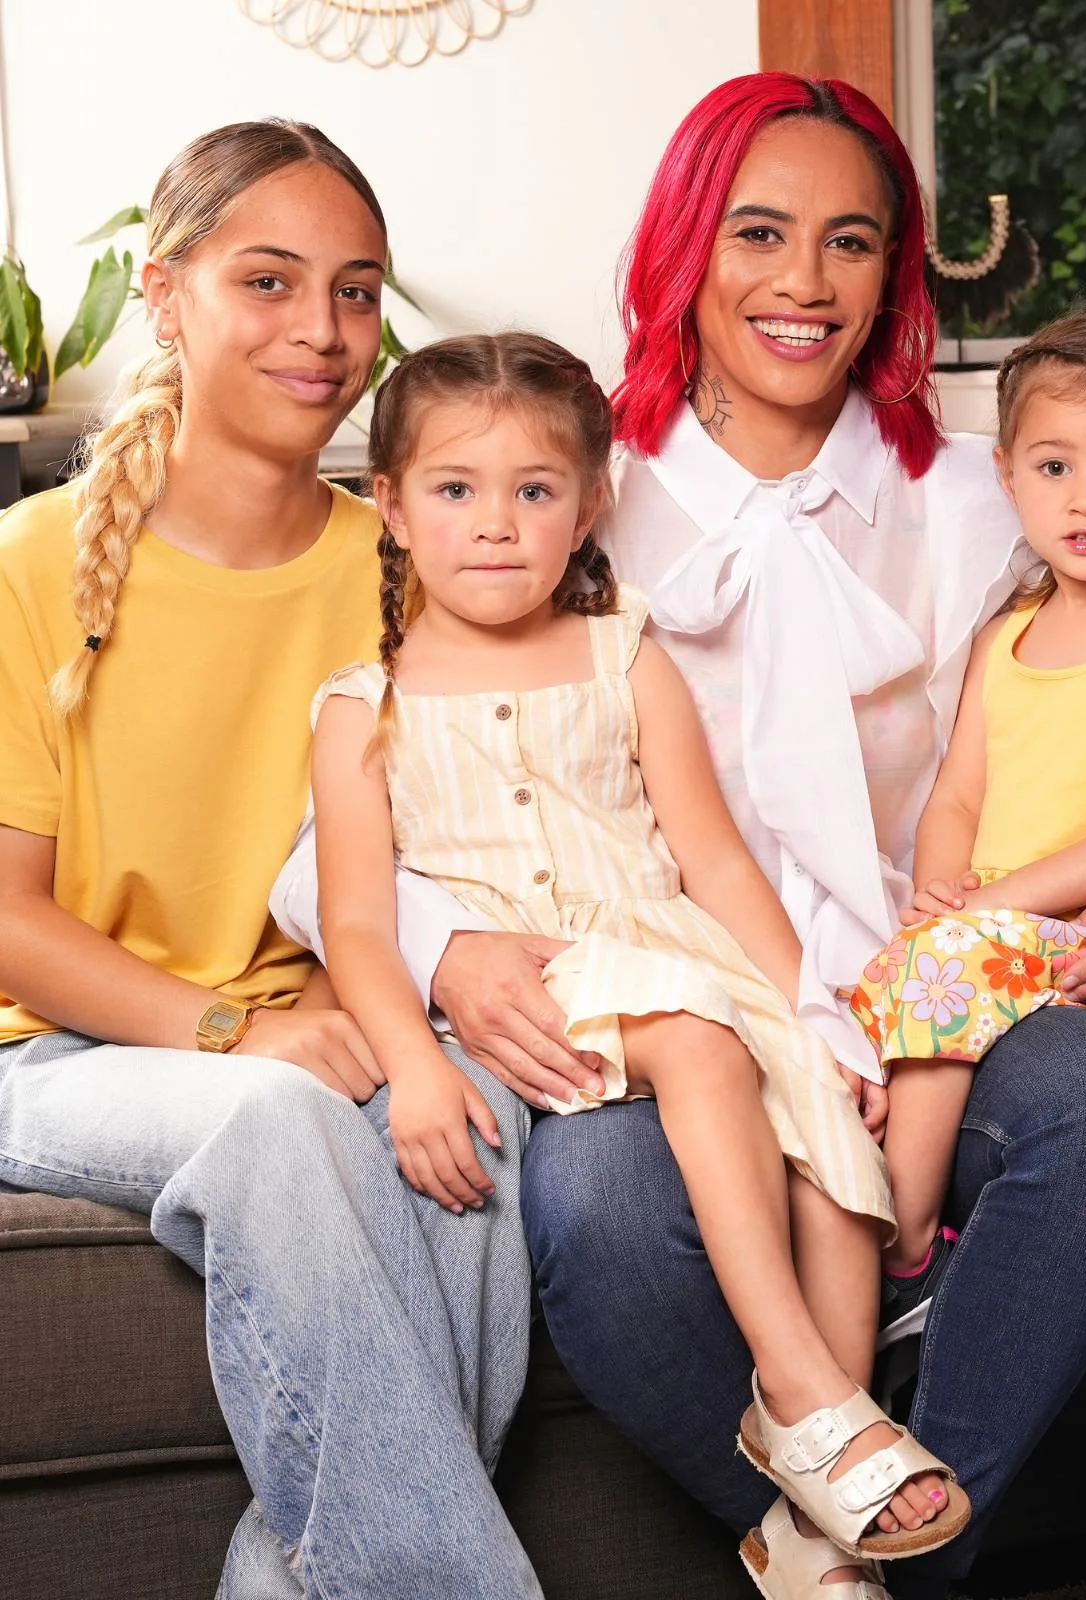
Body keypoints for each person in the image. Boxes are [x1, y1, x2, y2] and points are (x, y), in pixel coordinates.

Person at [271, 74, 1086, 1597]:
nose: (802, 282)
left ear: (895, 276)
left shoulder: (982, 503)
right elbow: (350, 795)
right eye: (758, 232)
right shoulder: (561, 489)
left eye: (850, 244)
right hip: (658, 996)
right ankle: (833, 1504)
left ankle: (893, 1551)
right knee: (598, 1199)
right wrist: (447, 962)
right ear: (682, 248)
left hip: (908, 1005)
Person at [312, 331, 967, 1595]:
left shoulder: (630, 650)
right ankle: (801, 1389)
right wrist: (413, 1068)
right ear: (387, 507)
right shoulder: (362, 707)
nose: (495, 526)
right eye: (454, 490)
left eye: (534, 490)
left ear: (592, 501)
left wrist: (817, 1014)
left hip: (675, 952)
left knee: (827, 1145)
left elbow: (716, 862)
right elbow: (354, 921)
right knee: (699, 1037)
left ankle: (828, 1520)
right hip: (550, 980)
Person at [0, 123, 539, 1598]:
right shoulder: (35, 564)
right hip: (63, 1054)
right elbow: (5, 926)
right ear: (163, 296)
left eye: (357, 292)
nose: (324, 332)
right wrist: (242, 1033)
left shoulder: (403, 560)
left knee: (480, 1122)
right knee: (276, 1129)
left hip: (338, 1025)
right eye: (271, 282)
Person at [852, 310, 1086, 1339]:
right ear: (1011, 479)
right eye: (1056, 466)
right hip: (996, 925)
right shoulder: (1008, 634)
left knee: (942, 968)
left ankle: (905, 1243)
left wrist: (986, 908)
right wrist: (941, 889)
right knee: (897, 970)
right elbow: (961, 797)